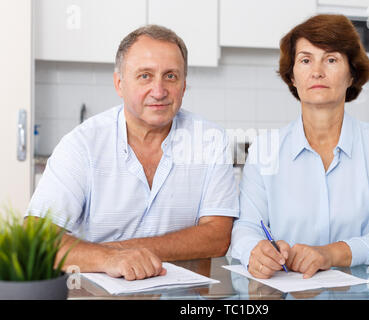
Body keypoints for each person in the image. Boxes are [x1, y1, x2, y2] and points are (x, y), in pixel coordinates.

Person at [26, 25, 239, 281]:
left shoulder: (211, 141)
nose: (159, 91)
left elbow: (217, 237)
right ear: (119, 83)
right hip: (99, 295)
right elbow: (36, 239)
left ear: (184, 86)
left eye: (170, 76)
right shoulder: (81, 144)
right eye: (145, 76)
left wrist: (122, 250)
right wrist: (108, 259)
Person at [230, 14, 369, 279]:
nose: (317, 71)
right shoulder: (265, 149)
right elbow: (246, 226)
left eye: (331, 59)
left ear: (352, 74)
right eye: (305, 60)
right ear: (292, 76)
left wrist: (330, 253)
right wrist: (256, 250)